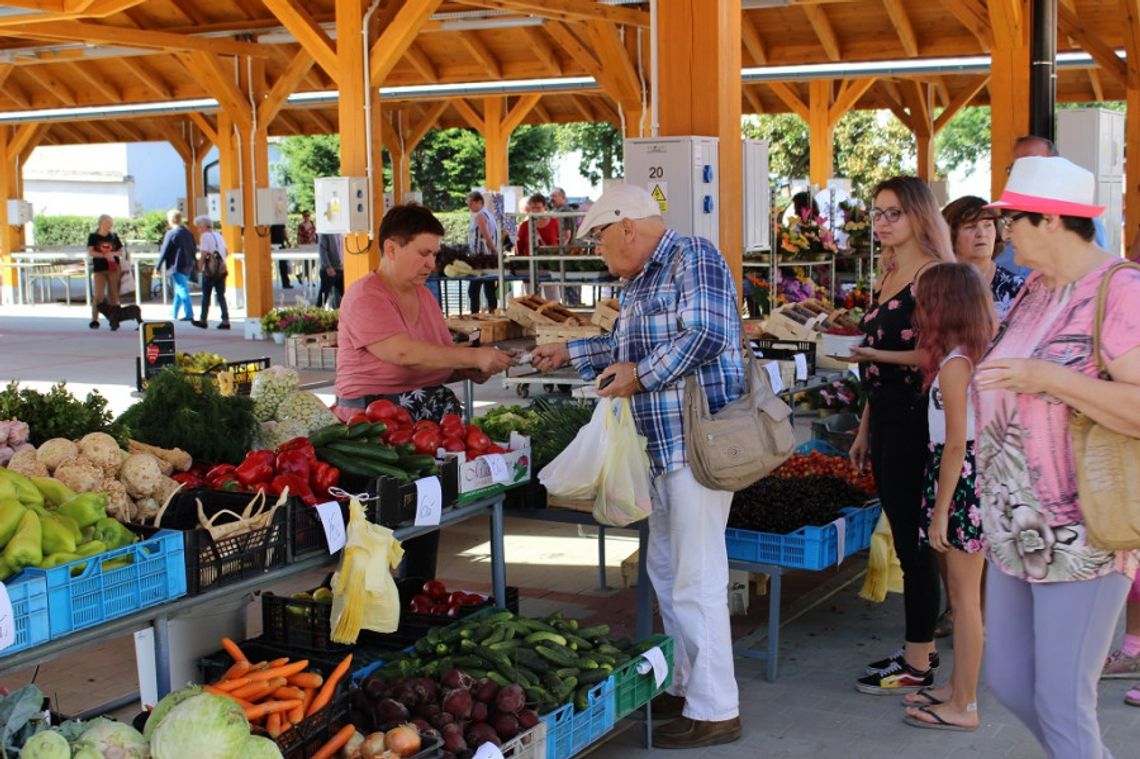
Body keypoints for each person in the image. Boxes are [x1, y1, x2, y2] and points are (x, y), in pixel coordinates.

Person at [530, 184, 744, 750]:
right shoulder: (640, 279)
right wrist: (571, 352)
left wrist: (640, 377)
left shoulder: (693, 256)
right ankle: (686, 686)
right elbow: (630, 345)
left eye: (600, 238)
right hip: (659, 448)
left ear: (627, 225)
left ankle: (717, 708)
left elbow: (708, 332)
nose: (599, 251)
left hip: (695, 446)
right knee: (669, 573)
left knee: (697, 578)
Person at [974, 156, 1140, 757]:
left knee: (1061, 702)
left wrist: (1047, 377)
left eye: (1011, 219)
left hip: (1082, 531)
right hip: (1015, 524)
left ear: (1049, 220)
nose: (1002, 231)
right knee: (1011, 681)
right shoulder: (1038, 290)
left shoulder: (1119, 290)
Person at [334, 204, 514, 579]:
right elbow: (401, 353)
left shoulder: (426, 297)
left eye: (434, 254)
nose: (431, 263)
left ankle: (415, 597)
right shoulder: (365, 295)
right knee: (374, 537)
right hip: (371, 430)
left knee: (425, 520)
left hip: (424, 431)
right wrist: (471, 355)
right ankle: (349, 608)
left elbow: (433, 359)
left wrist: (471, 367)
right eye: (423, 253)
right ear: (392, 249)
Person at [849, 176, 954, 695]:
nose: (883, 222)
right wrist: (865, 427)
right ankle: (918, 650)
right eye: (878, 213)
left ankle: (918, 661)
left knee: (913, 542)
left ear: (918, 215)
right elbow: (873, 365)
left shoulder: (932, 276)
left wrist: (874, 356)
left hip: (916, 418)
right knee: (904, 530)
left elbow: (939, 355)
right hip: (886, 416)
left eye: (894, 212)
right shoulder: (888, 272)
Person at [900, 262, 994, 732]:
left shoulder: (958, 363)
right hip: (960, 476)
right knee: (964, 596)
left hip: (958, 479)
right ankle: (957, 690)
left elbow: (957, 443)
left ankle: (966, 704)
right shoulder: (968, 355)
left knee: (964, 600)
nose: (918, 310)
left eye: (924, 300)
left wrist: (940, 513)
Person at [995, 136, 1109, 279]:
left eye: (1033, 164)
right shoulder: (1036, 285)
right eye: (1015, 167)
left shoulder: (1088, 227)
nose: (1021, 173)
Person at [943, 196, 1024, 320]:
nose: (982, 234)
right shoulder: (935, 285)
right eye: (970, 227)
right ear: (950, 235)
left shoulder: (1017, 287)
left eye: (988, 225)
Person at [155, 209, 197, 322]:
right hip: (188, 264)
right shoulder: (188, 232)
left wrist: (157, 266)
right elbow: (194, 248)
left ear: (170, 220)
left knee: (182, 289)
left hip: (176, 265)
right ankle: (174, 312)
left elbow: (164, 251)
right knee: (178, 289)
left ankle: (189, 314)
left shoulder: (171, 233)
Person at [86, 214, 124, 330]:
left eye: (111, 223)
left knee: (113, 294)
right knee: (99, 295)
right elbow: (90, 252)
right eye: (108, 223)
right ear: (101, 223)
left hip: (113, 268)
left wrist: (112, 254)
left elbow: (121, 251)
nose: (110, 225)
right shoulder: (93, 237)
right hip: (99, 269)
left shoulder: (113, 236)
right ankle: (94, 319)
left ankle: (115, 318)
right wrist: (103, 255)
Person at [191, 215, 230, 330]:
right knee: (221, 296)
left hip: (210, 271)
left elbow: (203, 254)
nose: (198, 230)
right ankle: (225, 320)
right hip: (221, 270)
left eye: (198, 227)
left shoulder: (205, 236)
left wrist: (199, 267)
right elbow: (226, 252)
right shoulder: (219, 235)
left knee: (206, 296)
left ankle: (203, 320)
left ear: (203, 226)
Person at [466, 191, 499, 313]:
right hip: (487, 257)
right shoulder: (489, 215)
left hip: (480, 258)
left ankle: (474, 317)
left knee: (473, 290)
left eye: (471, 203)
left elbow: (487, 237)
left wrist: (495, 251)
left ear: (479, 202)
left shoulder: (480, 216)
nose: (469, 206)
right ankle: (493, 314)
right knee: (489, 288)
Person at [549, 187, 581, 306]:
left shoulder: (564, 212)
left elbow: (566, 234)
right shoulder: (560, 211)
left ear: (563, 197)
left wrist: (560, 250)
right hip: (568, 251)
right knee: (567, 284)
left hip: (566, 252)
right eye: (551, 196)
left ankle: (573, 308)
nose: (551, 199)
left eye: (554, 196)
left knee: (568, 283)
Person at [317, 232, 345, 308]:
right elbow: (322, 250)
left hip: (341, 268)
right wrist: (327, 266)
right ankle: (317, 315)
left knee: (346, 294)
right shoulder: (325, 232)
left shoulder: (342, 232)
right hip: (329, 270)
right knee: (323, 296)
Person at [271, 223, 293, 288]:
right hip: (271, 245)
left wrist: (288, 241)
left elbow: (284, 232)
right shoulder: (269, 222)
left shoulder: (280, 221)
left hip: (280, 244)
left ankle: (285, 283)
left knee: (283, 264)